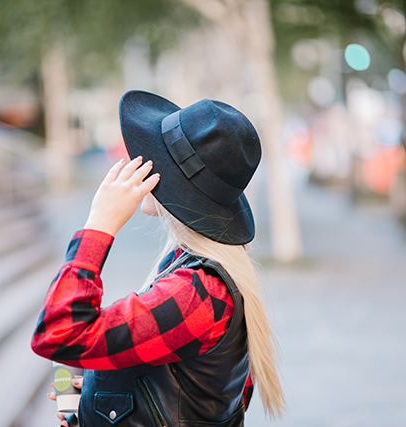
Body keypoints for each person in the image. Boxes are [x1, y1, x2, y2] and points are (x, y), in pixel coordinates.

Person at [31, 90, 285, 426]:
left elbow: (59, 333)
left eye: (153, 157)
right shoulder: (192, 269)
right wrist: (96, 394)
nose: (138, 162)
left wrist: (99, 225)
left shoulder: (198, 291)